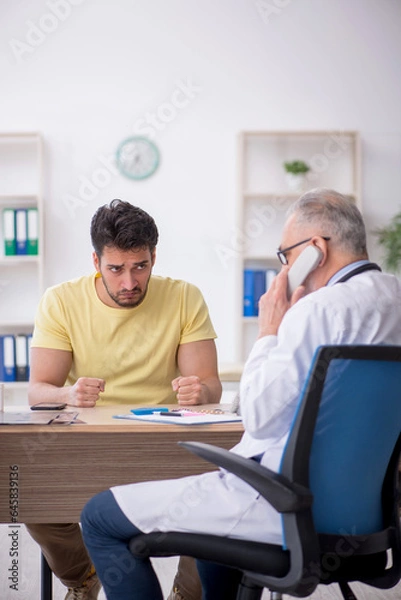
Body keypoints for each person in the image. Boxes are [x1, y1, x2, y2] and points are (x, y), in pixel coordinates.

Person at [80, 188, 401, 599]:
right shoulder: (393, 299)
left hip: (282, 506)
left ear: (315, 250)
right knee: (211, 528)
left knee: (100, 516)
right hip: (362, 521)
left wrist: (268, 330)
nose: (286, 267)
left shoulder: (317, 310)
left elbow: (260, 414)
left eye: (287, 256)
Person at [26, 199, 222, 600]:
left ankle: (187, 594)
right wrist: (67, 393)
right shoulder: (61, 301)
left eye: (140, 267)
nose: (129, 282)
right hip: (87, 444)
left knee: (222, 495)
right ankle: (84, 579)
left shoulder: (185, 296)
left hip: (164, 445)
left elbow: (210, 387)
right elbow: (38, 391)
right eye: (116, 269)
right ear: (96, 261)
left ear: (154, 257)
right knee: (28, 495)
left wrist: (200, 392)